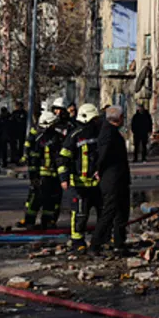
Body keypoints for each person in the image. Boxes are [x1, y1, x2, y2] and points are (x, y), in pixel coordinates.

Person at [58, 104, 102, 253]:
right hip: (80, 184)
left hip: (97, 183)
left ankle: (103, 238)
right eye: (93, 119)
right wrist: (64, 178)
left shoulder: (100, 133)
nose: (96, 121)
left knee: (103, 212)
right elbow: (63, 158)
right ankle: (77, 241)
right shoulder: (74, 135)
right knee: (80, 214)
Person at [93, 106, 131, 254]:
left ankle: (119, 244)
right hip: (112, 180)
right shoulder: (108, 133)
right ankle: (95, 244)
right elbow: (103, 154)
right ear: (119, 118)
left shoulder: (111, 131)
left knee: (122, 212)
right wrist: (98, 169)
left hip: (119, 179)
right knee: (109, 212)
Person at [19, 111, 62, 229]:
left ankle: (47, 222)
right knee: (36, 200)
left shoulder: (57, 137)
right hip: (42, 176)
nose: (55, 126)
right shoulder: (40, 139)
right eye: (53, 124)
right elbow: (34, 159)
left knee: (50, 201)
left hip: (54, 175)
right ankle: (30, 222)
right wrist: (34, 177)